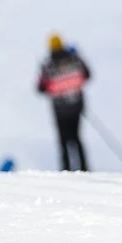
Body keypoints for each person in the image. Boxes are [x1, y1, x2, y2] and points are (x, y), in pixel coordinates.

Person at [37, 34, 91, 171]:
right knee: (77, 138)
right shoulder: (74, 59)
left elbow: (40, 88)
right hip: (77, 105)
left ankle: (66, 170)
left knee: (63, 140)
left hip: (60, 109)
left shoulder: (48, 65)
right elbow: (87, 75)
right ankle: (84, 168)